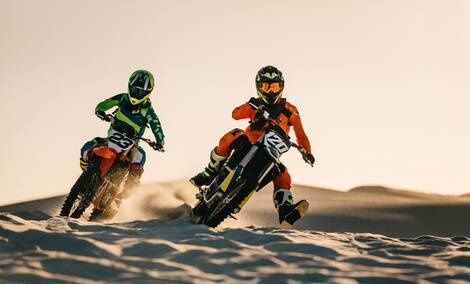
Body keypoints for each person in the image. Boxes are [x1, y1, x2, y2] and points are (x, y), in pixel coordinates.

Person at [190, 66, 315, 226]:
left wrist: (307, 152)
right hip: (249, 142)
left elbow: (301, 134)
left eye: (274, 86)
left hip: (272, 151)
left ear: (281, 87)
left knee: (283, 174)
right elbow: (235, 114)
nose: (270, 91)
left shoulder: (290, 110)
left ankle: (285, 210)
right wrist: (252, 106)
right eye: (266, 86)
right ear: (258, 87)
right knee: (233, 134)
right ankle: (210, 171)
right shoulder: (255, 104)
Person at [80, 69, 165, 199]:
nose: (137, 93)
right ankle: (86, 172)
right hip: (110, 139)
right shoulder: (122, 98)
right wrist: (100, 110)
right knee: (88, 145)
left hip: (132, 144)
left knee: (140, 155)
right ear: (129, 86)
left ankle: (130, 186)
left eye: (141, 92)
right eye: (136, 89)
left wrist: (160, 141)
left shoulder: (148, 111)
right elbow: (104, 104)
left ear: (148, 92)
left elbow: (156, 125)